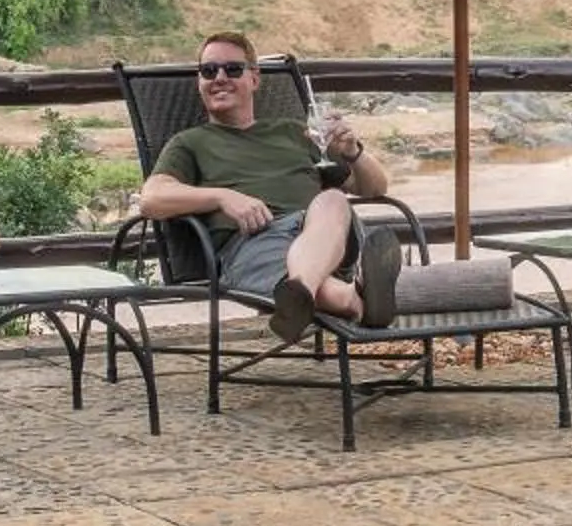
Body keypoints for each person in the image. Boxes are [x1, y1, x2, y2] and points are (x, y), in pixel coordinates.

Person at [136, 29, 404, 337]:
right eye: (209, 71)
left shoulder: (293, 132)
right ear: (200, 82)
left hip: (328, 237)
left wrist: (353, 152)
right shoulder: (190, 143)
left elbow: (374, 188)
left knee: (332, 201)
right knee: (300, 274)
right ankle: (357, 302)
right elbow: (152, 198)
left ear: (254, 79)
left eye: (232, 69)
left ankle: (304, 289)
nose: (219, 77)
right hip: (255, 243)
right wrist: (223, 197)